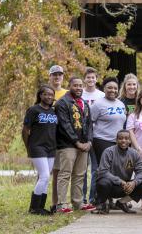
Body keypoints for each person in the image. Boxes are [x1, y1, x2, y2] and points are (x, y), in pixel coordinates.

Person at [54, 77, 93, 213]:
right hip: (67, 145)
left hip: (84, 145)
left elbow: (89, 125)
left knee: (80, 174)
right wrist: (77, 142)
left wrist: (89, 141)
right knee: (65, 174)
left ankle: (78, 203)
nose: (78, 88)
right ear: (69, 86)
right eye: (75, 85)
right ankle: (61, 204)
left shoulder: (84, 103)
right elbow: (65, 125)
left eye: (80, 85)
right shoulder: (62, 103)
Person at [91, 130, 142, 214]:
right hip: (110, 185)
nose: (123, 140)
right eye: (120, 138)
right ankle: (103, 204)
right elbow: (103, 172)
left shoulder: (134, 154)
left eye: (126, 138)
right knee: (103, 182)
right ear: (116, 140)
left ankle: (122, 203)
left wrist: (134, 182)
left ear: (130, 140)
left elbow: (141, 171)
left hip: (126, 187)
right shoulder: (108, 152)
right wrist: (120, 181)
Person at [22, 85, 58, 215]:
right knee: (44, 176)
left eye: (51, 95)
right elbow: (25, 130)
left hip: (51, 148)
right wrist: (28, 148)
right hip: (37, 147)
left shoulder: (54, 111)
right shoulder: (33, 110)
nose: (49, 97)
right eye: (46, 94)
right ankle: (34, 207)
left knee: (46, 178)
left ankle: (41, 207)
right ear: (40, 95)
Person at [81, 67, 105, 207]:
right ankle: (82, 198)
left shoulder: (101, 95)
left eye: (93, 77)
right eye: (88, 77)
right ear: (85, 79)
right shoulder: (80, 94)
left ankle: (93, 198)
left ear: (96, 79)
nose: (90, 80)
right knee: (82, 168)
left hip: (97, 136)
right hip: (83, 136)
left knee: (96, 169)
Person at [91, 77, 127, 163]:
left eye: (115, 88)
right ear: (104, 89)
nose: (113, 90)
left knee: (117, 168)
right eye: (109, 87)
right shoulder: (98, 104)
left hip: (119, 142)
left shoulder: (121, 104)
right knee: (106, 169)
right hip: (102, 141)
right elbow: (89, 122)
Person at [48, 64, 68, 212]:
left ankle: (63, 201)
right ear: (50, 77)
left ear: (62, 77)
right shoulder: (46, 93)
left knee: (64, 172)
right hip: (49, 138)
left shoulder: (68, 94)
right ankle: (52, 203)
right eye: (54, 75)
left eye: (59, 75)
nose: (57, 77)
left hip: (65, 138)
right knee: (51, 173)